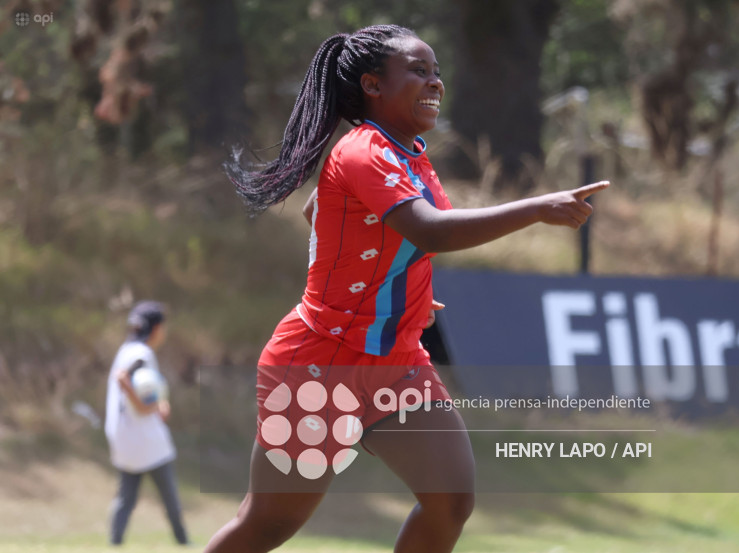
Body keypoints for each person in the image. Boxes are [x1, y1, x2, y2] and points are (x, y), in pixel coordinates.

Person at [207, 24, 608, 553]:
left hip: (396, 362)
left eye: (437, 72)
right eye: (418, 71)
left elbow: (320, 212)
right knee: (267, 525)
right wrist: (536, 208)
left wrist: (395, 285)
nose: (435, 82)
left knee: (451, 500)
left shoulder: (408, 151)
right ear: (372, 85)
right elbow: (429, 231)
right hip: (322, 362)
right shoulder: (364, 151)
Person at [104, 300, 189, 546]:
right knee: (169, 494)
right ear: (156, 328)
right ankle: (183, 542)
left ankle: (114, 543)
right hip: (145, 437)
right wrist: (147, 407)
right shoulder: (142, 353)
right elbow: (123, 377)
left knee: (126, 497)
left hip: (123, 434)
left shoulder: (125, 350)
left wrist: (155, 403)